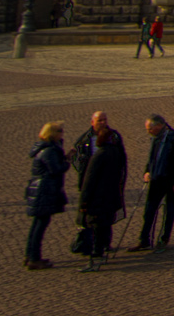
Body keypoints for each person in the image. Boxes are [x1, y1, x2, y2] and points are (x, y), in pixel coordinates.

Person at [71, 111, 126, 271]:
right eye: (99, 120)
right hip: (108, 192)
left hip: (98, 195)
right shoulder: (87, 141)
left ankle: (96, 254)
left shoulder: (101, 154)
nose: (102, 122)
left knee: (97, 224)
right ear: (92, 121)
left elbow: (89, 180)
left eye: (104, 119)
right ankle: (99, 249)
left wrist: (84, 201)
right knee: (103, 222)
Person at [130, 114, 174, 253]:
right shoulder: (156, 139)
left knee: (168, 212)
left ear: (159, 126)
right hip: (156, 180)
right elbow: (152, 157)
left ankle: (163, 239)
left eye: (150, 128)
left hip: (171, 181)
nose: (148, 131)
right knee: (149, 210)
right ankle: (144, 240)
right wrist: (147, 171)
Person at [25, 120, 70, 270]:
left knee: (37, 225)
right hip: (44, 192)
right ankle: (34, 258)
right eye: (59, 132)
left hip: (39, 191)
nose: (62, 134)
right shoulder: (49, 151)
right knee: (40, 226)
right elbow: (56, 169)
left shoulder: (45, 148)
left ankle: (30, 255)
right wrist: (67, 162)